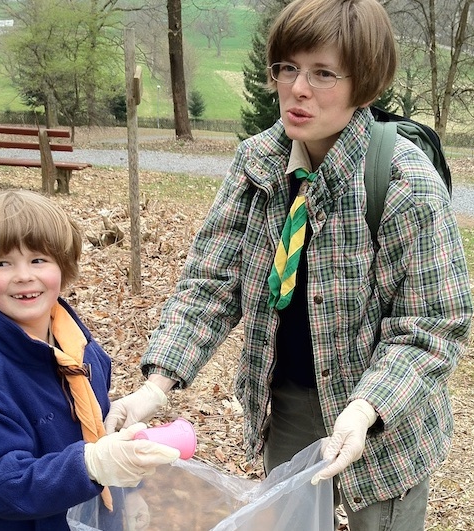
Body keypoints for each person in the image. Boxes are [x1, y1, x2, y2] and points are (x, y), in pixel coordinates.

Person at [105, 0, 473, 529]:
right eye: (288, 68)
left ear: (363, 84)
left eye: (324, 73)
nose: (298, 88)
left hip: (384, 420)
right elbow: (211, 283)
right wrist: (154, 386)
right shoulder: (258, 164)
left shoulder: (403, 183)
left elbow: (432, 325)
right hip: (289, 404)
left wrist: (365, 408)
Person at [0, 190, 180, 531]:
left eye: (38, 260)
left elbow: (99, 431)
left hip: (99, 518)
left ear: (63, 266)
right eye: (2, 262)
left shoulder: (81, 349)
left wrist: (130, 490)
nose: (23, 275)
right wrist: (88, 466)